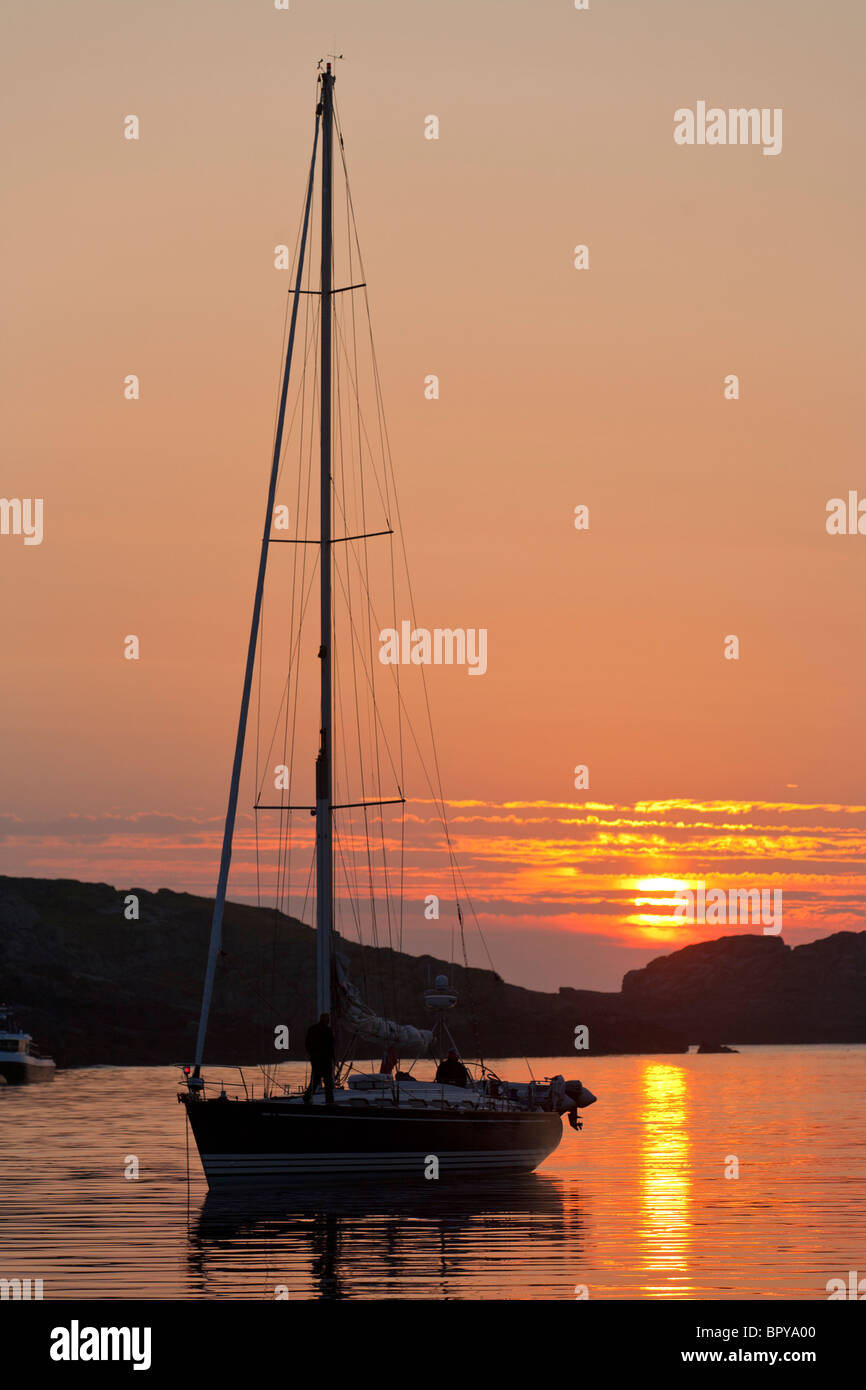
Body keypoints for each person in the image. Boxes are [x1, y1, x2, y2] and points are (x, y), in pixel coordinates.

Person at [303, 1011, 335, 1104]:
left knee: (315, 1080)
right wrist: (333, 1058)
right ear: (326, 1020)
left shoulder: (312, 1029)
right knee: (328, 1082)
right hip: (326, 1060)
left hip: (315, 1059)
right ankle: (329, 1101)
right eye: (328, 1019)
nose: (328, 1021)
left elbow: (307, 1043)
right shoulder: (328, 1030)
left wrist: (310, 1054)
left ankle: (307, 1096)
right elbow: (331, 1046)